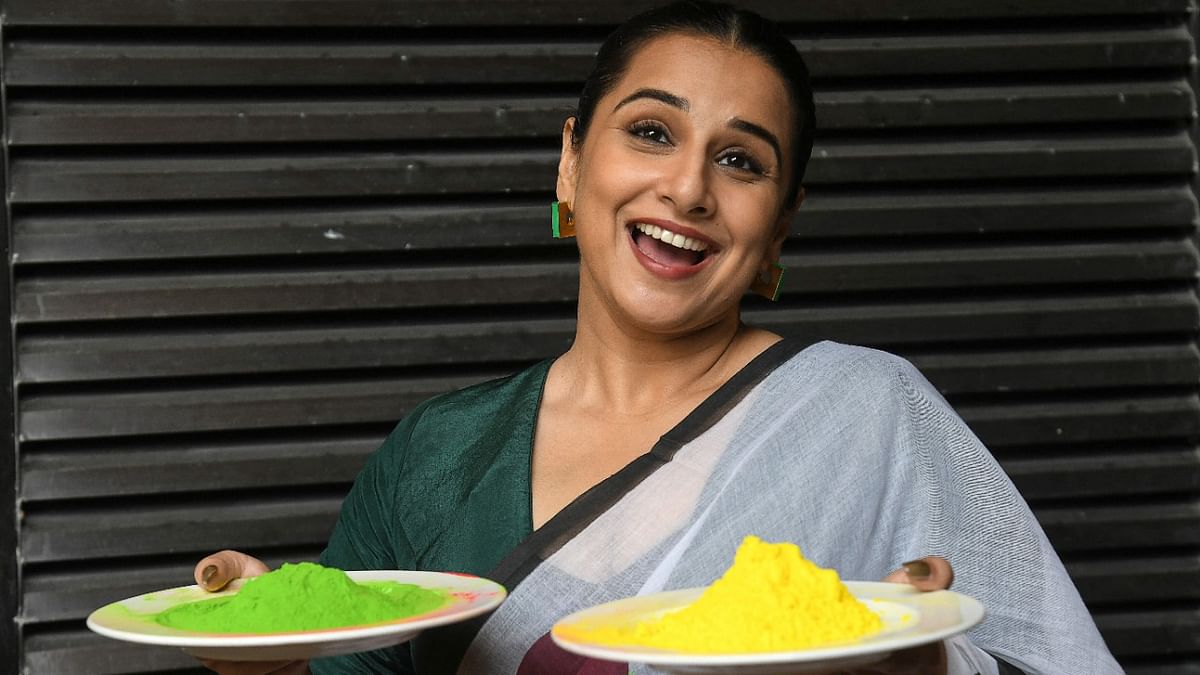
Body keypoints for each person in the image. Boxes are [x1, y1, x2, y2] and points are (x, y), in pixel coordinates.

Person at [192, 2, 1123, 674]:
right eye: (650, 131)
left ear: (781, 224)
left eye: (740, 160)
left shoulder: (871, 413)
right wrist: (265, 652)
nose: (687, 191)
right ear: (570, 161)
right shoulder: (434, 456)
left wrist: (929, 671)